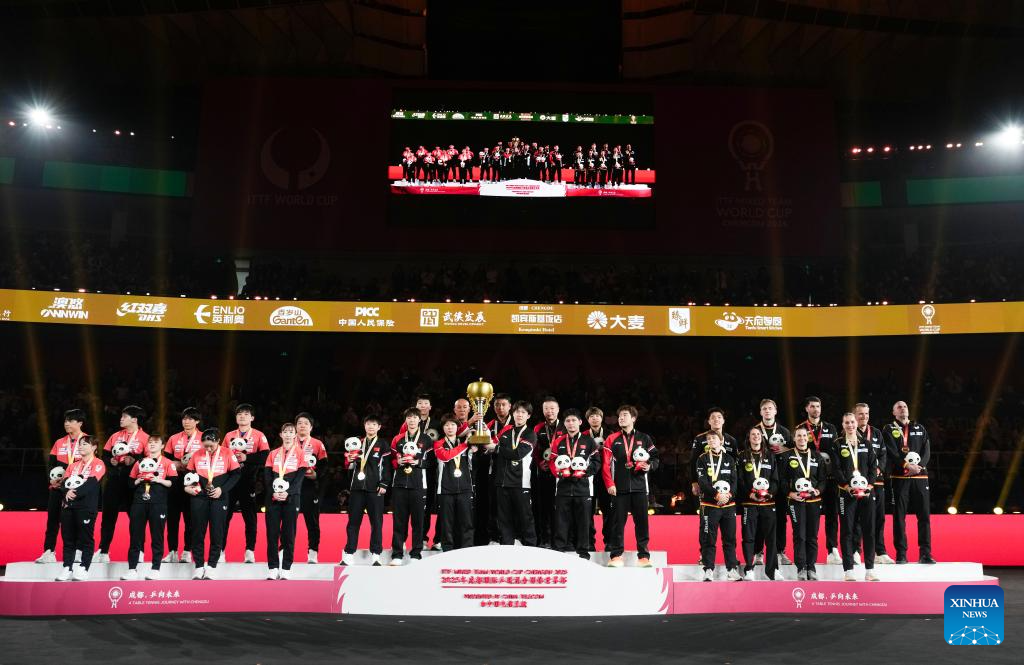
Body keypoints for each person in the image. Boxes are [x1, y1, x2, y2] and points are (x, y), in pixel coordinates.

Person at [602, 404, 659, 568]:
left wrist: (650, 466)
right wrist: (609, 483)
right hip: (619, 489)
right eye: (620, 416)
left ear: (633, 418)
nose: (621, 418)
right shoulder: (611, 439)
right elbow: (605, 464)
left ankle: (644, 556)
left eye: (625, 415)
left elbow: (655, 457)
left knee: (642, 523)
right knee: (617, 524)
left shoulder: (644, 438)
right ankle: (616, 556)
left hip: (640, 488)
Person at [883, 400, 936, 564]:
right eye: (898, 407)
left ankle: (925, 553)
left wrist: (919, 467)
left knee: (924, 516)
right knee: (899, 517)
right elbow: (891, 451)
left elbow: (927, 450)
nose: (902, 408)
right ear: (894, 412)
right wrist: (906, 465)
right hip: (900, 478)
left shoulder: (920, 428)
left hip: (920, 477)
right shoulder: (888, 429)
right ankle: (901, 553)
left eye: (905, 406)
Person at [186, 428, 241, 580]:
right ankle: (198, 566)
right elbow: (189, 474)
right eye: (206, 446)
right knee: (197, 532)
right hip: (199, 497)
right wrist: (190, 487)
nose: (208, 449)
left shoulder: (227, 453)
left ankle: (211, 566)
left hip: (219, 497)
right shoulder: (197, 454)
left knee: (217, 532)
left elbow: (236, 475)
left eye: (211, 445)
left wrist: (222, 490)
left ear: (218, 441)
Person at [97, 405, 149, 562]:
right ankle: (103, 551)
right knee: (108, 517)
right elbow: (105, 455)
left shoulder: (145, 438)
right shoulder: (115, 436)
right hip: (114, 481)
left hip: (133, 484)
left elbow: (151, 460)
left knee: (136, 518)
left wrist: (135, 460)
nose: (121, 419)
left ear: (134, 420)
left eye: (124, 416)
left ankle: (139, 551)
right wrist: (110, 461)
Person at [831, 413, 879, 582]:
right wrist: (847, 486)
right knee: (847, 531)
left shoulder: (866, 443)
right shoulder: (837, 444)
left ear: (856, 423)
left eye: (852, 422)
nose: (850, 425)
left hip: (866, 493)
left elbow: (873, 466)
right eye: (847, 422)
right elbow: (836, 468)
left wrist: (869, 485)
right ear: (843, 425)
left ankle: (870, 570)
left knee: (869, 531)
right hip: (846, 493)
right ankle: (849, 570)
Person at [37, 408, 87, 564]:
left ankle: (78, 552)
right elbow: (51, 464)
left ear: (80, 423)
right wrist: (52, 480)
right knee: (52, 520)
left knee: (76, 521)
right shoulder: (59, 442)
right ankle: (49, 551)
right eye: (65, 420)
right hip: (58, 488)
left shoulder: (87, 441)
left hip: (76, 489)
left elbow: (90, 465)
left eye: (70, 421)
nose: (66, 423)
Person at [123, 436, 177, 580]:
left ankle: (155, 569)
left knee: (157, 537)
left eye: (156, 442)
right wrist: (138, 480)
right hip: (139, 502)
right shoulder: (139, 462)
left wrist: (158, 480)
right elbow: (130, 483)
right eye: (150, 442)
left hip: (158, 503)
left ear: (162, 446)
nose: (152, 445)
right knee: (135, 536)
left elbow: (173, 483)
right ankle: (132, 569)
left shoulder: (167, 462)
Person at [690, 407, 739, 566]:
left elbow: (735, 464)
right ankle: (703, 555)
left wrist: (730, 493)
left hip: (727, 490)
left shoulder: (731, 440)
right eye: (713, 417)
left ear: (723, 420)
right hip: (707, 487)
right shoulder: (700, 439)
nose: (716, 419)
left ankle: (731, 558)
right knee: (706, 525)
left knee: (729, 531)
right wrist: (694, 482)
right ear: (709, 421)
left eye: (719, 417)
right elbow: (693, 461)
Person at [222, 403, 270, 564]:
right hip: (229, 481)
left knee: (250, 517)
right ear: (236, 417)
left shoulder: (258, 435)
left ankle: (250, 550)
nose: (242, 416)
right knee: (224, 517)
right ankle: (220, 551)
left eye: (246, 414)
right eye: (239, 414)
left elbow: (266, 456)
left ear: (252, 418)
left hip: (248, 481)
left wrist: (246, 458)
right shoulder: (229, 435)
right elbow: (221, 455)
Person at [795, 396, 840, 565]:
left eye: (818, 406)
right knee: (808, 518)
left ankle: (832, 549)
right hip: (810, 481)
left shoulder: (830, 428)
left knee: (832, 514)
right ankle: (806, 554)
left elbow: (836, 451)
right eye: (812, 406)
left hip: (830, 478)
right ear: (807, 409)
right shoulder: (800, 429)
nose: (816, 409)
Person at [550, 409, 600, 559]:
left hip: (583, 488)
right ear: (564, 424)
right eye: (568, 421)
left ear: (580, 422)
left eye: (573, 420)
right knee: (561, 521)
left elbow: (596, 462)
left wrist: (585, 472)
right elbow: (552, 462)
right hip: (563, 488)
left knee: (584, 522)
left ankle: (583, 552)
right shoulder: (558, 441)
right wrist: (558, 473)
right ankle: (559, 550)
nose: (571, 423)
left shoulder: (589, 441)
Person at [342, 414, 391, 566]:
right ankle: (349, 553)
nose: (371, 426)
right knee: (353, 522)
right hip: (357, 488)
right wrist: (349, 461)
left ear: (379, 427)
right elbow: (348, 466)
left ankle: (376, 555)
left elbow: (386, 466)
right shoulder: (356, 442)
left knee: (376, 522)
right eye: (368, 423)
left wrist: (384, 484)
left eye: (374, 424)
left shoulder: (383, 444)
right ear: (364, 426)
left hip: (374, 489)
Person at [55, 435, 105, 581]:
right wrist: (66, 491)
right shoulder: (73, 465)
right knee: (68, 538)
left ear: (94, 447)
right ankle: (67, 567)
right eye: (80, 444)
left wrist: (73, 493)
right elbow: (63, 483)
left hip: (86, 507)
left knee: (86, 538)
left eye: (85, 444)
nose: (81, 446)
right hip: (68, 506)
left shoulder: (98, 463)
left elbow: (91, 484)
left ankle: (84, 567)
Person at [264, 422, 307, 579]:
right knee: (272, 534)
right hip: (273, 498)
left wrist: (288, 493)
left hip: (292, 498)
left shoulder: (301, 453)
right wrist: (274, 493)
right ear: (281, 435)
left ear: (295, 435)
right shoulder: (273, 453)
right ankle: (273, 567)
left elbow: (300, 478)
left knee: (289, 534)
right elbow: (267, 477)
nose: (288, 435)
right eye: (285, 432)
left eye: (291, 432)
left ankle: (287, 567)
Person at [696, 432, 741, 581]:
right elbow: (702, 481)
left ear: (721, 441)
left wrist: (729, 496)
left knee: (730, 538)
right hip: (709, 505)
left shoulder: (729, 459)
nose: (711, 440)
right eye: (708, 439)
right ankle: (708, 569)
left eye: (714, 438)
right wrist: (716, 495)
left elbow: (734, 481)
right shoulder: (702, 459)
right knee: (708, 539)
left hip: (728, 505)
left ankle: (732, 569)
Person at [782, 426, 825, 581]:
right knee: (799, 535)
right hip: (796, 501)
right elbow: (782, 479)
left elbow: (822, 479)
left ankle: (811, 568)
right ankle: (801, 568)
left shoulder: (817, 456)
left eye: (804, 436)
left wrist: (818, 490)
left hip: (813, 501)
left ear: (808, 438)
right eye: (798, 436)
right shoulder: (787, 456)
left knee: (812, 536)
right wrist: (790, 493)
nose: (801, 438)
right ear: (794, 438)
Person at [737, 427, 780, 580]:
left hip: (768, 503)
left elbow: (775, 479)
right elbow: (740, 480)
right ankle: (749, 568)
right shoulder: (742, 456)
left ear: (762, 438)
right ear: (748, 438)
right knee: (748, 537)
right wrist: (750, 494)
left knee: (771, 539)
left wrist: (770, 494)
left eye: (758, 434)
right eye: (752, 434)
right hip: (749, 503)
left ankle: (773, 570)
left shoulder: (770, 456)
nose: (756, 436)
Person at [390, 408, 431, 565]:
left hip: (418, 484)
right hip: (399, 484)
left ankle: (416, 554)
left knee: (418, 521)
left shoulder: (426, 439)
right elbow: (390, 460)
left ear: (419, 419)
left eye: (415, 417)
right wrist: (397, 462)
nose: (412, 420)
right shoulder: (397, 439)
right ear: (405, 420)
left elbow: (432, 462)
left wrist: (419, 462)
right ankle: (397, 554)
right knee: (399, 520)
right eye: (409, 417)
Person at [493, 400, 538, 546]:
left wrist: (496, 448)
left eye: (523, 412)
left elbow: (518, 454)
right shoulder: (505, 432)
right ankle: (506, 546)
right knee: (504, 518)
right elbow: (493, 448)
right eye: (517, 412)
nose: (520, 415)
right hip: (502, 482)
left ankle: (530, 546)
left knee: (525, 517)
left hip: (521, 482)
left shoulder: (530, 434)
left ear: (528, 416)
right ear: (513, 414)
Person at [854, 402, 894, 563]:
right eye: (860, 413)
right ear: (854, 415)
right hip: (858, 484)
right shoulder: (850, 433)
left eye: (866, 413)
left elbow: (883, 455)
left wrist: (878, 470)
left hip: (877, 482)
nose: (864, 416)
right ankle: (856, 550)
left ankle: (880, 551)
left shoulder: (876, 433)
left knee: (879, 517)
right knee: (857, 517)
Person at [755, 398, 793, 567]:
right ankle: (758, 553)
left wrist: (784, 449)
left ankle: (780, 552)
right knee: (759, 518)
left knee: (780, 518)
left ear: (776, 411)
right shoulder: (755, 431)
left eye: (770, 408)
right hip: (761, 480)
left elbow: (794, 452)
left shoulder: (784, 431)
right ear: (761, 412)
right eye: (764, 408)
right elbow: (747, 451)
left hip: (781, 481)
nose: (767, 411)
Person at [163, 407, 203, 564]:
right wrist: (175, 464)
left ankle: (187, 551)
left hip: (194, 481)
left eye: (190, 419)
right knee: (172, 517)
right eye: (184, 418)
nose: (186, 421)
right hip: (175, 480)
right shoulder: (174, 438)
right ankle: (172, 551)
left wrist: (193, 465)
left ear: (197, 421)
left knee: (190, 518)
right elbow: (166, 459)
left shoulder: (203, 437)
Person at [433, 413, 474, 550]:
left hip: (465, 487)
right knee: (447, 522)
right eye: (447, 425)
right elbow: (445, 456)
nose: (450, 427)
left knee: (466, 521)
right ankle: (448, 549)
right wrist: (465, 445)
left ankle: (467, 548)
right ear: (443, 428)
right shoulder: (438, 443)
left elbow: (471, 464)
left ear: (457, 427)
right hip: (445, 488)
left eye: (452, 424)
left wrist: (473, 450)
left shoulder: (464, 443)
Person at [295, 412, 328, 564]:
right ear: (295, 426)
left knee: (312, 521)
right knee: (288, 520)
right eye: (299, 423)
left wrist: (316, 475)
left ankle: (313, 552)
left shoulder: (317, 444)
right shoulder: (289, 441)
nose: (302, 425)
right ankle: (284, 550)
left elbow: (324, 466)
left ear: (311, 427)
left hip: (309, 486)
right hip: (291, 486)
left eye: (306, 423)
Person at [532, 396, 564, 548]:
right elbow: (534, 450)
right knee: (544, 507)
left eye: (552, 408)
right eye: (546, 408)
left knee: (560, 508)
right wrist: (539, 463)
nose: (549, 411)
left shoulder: (565, 427)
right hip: (544, 472)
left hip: (562, 474)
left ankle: (560, 540)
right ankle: (545, 540)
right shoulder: (538, 428)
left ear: (558, 409)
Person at [585, 406, 612, 551]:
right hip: (588, 478)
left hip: (605, 478)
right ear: (587, 419)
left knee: (608, 511)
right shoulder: (583, 435)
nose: (595, 419)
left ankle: (609, 542)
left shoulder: (610, 435)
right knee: (587, 512)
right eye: (591, 416)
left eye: (597, 416)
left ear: (602, 418)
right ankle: (589, 542)